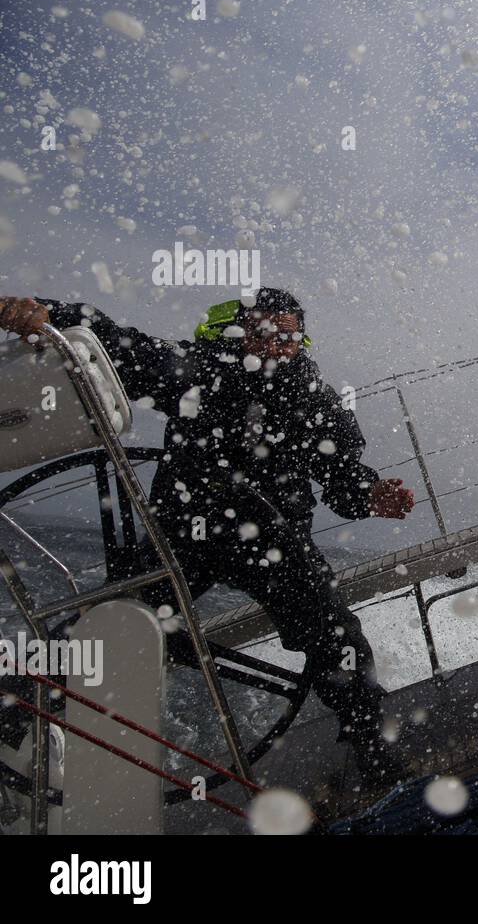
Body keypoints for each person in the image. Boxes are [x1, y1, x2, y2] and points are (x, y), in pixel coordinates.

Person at [0, 289, 416, 787]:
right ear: (241, 332)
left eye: (290, 334)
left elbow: (342, 480)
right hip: (183, 541)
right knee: (106, 630)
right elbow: (118, 345)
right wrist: (51, 315)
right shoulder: (199, 372)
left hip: (275, 544)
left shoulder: (315, 402)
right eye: (267, 331)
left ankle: (372, 750)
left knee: (339, 639)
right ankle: (15, 714)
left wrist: (373, 494)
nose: (280, 344)